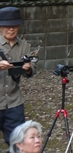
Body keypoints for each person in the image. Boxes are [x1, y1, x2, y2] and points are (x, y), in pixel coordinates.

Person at [0, 8, 36, 149]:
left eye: (14, 25)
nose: (11, 29)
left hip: (14, 103)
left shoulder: (24, 46)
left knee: (18, 144)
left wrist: (28, 68)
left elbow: (32, 69)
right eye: (7, 26)